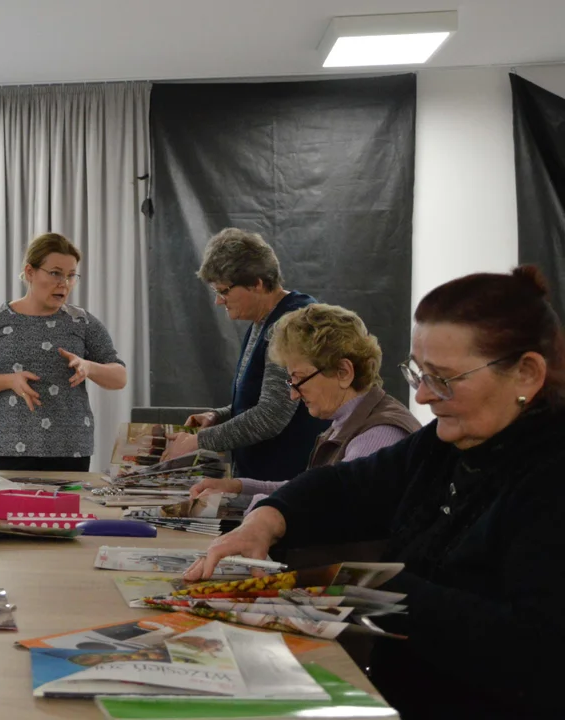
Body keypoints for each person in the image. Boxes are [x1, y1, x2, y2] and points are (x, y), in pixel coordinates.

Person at [184, 266, 565, 719]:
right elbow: (349, 484)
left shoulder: (548, 478)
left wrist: (359, 584)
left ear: (526, 374)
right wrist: (266, 519)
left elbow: (533, 651)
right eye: (418, 373)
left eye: (443, 379)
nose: (422, 396)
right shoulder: (446, 443)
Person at [189, 304, 420, 507]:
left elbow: (327, 508)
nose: (293, 395)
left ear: (343, 372)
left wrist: (237, 501)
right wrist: (238, 487)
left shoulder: (379, 434)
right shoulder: (348, 421)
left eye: (299, 380)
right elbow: (307, 491)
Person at [161, 229, 329, 482]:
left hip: (286, 480)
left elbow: (271, 415)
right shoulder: (265, 320)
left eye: (225, 291)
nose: (219, 301)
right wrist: (218, 416)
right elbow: (260, 399)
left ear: (257, 283)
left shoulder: (290, 325)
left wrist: (198, 441)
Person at [0, 233, 127, 472]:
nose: (64, 283)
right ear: (30, 272)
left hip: (71, 450)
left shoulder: (83, 322)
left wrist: (90, 367)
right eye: (55, 273)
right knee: (6, 510)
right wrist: (8, 380)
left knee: (67, 511)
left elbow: (119, 377)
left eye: (71, 275)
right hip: (7, 448)